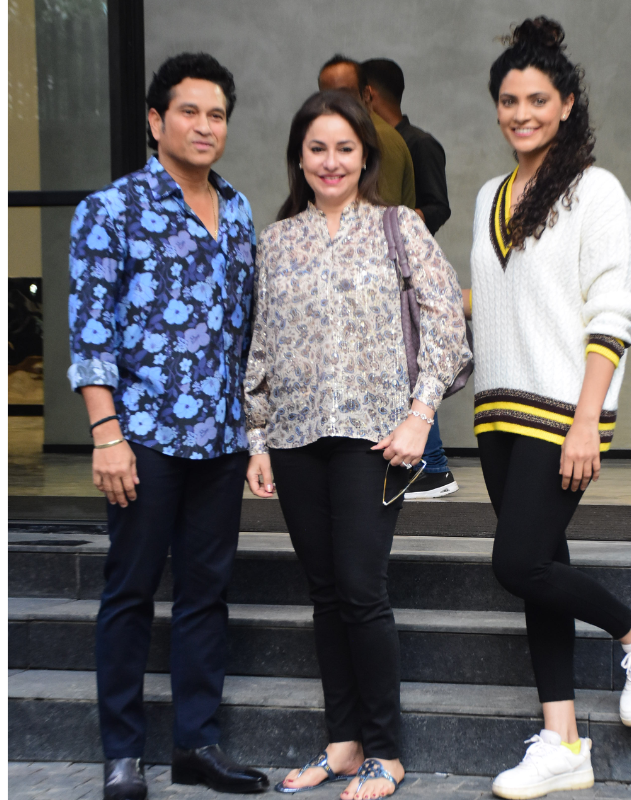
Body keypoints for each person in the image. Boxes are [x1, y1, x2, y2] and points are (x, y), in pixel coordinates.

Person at [467, 19, 631, 799]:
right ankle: (563, 742)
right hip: (497, 415)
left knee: (517, 562)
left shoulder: (597, 192)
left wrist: (588, 418)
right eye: (508, 99)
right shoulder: (492, 195)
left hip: (564, 412)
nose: (520, 112)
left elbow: (610, 311)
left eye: (537, 99)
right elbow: (503, 304)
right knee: (541, 570)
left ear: (565, 105)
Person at [243, 90, 469, 800]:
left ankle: (387, 751)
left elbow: (446, 326)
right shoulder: (277, 241)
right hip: (295, 437)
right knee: (324, 592)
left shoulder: (399, 227)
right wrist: (256, 439)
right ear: (299, 157)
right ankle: (343, 744)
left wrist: (419, 415)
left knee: (362, 591)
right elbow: (259, 346)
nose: (331, 161)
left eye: (345, 148)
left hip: (375, 440)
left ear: (365, 155)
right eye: (317, 148)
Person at [67, 52, 270, 800]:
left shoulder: (240, 211)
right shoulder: (111, 211)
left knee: (206, 595)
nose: (205, 126)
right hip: (143, 440)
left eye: (217, 114)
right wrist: (107, 435)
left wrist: (254, 434)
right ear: (156, 122)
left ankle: (197, 745)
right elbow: (90, 335)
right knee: (129, 591)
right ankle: (122, 754)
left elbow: (247, 334)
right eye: (189, 111)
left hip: (219, 441)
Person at [360, 57, 459, 499]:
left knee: (416, 359)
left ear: (367, 95)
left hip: (409, 272)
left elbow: (438, 205)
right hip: (390, 272)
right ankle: (426, 464)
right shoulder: (379, 141)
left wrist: (404, 226)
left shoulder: (416, 144)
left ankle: (433, 466)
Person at [318, 55, 416, 209]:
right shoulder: (347, 137)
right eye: (327, 97)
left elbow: (381, 215)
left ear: (366, 95)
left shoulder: (379, 138)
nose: (336, 103)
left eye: (345, 94)